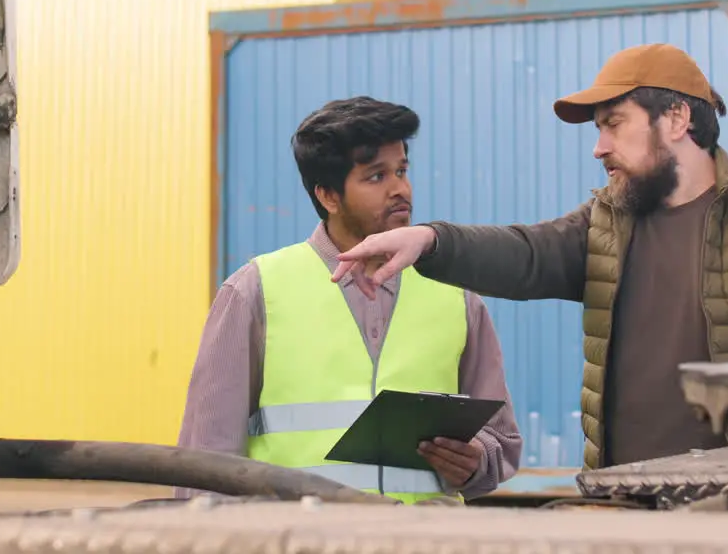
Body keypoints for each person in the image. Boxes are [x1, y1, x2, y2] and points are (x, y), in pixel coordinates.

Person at [330, 43, 728, 471]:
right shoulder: (607, 222)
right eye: (598, 130)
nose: (599, 147)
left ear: (676, 118)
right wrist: (429, 240)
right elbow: (526, 253)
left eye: (614, 123)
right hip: (623, 507)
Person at [175, 96, 522, 503]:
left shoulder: (456, 295)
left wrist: (475, 458)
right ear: (328, 196)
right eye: (376, 177)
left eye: (402, 170)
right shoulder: (256, 291)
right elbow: (207, 458)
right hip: (296, 543)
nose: (400, 189)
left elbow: (500, 439)